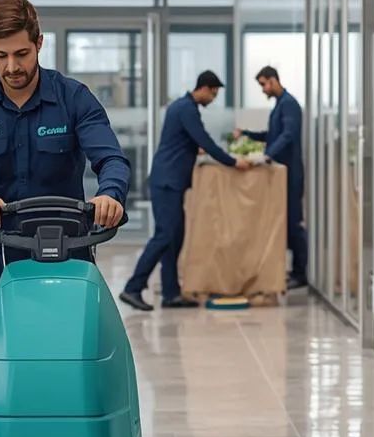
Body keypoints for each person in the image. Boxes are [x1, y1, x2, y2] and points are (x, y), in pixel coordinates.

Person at [0, 0, 129, 355]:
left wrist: (110, 194)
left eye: (21, 54)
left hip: (66, 254)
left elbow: (112, 159)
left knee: (66, 357)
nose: (12, 66)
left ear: (39, 43)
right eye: (1, 56)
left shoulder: (74, 99)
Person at [119, 70, 251, 312]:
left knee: (174, 237)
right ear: (205, 88)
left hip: (169, 181)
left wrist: (193, 150)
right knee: (165, 236)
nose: (213, 99)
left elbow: (184, 140)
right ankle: (133, 287)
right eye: (213, 93)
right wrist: (234, 162)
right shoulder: (187, 109)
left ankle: (171, 294)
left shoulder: (180, 106)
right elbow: (206, 141)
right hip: (167, 182)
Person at [234, 65, 308, 288]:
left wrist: (266, 156)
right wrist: (247, 134)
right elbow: (273, 135)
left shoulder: (289, 104)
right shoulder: (279, 105)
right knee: (284, 222)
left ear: (274, 80)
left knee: (294, 223)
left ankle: (300, 273)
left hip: (291, 173)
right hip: (280, 174)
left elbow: (288, 135)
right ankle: (291, 270)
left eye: (264, 84)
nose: (264, 90)